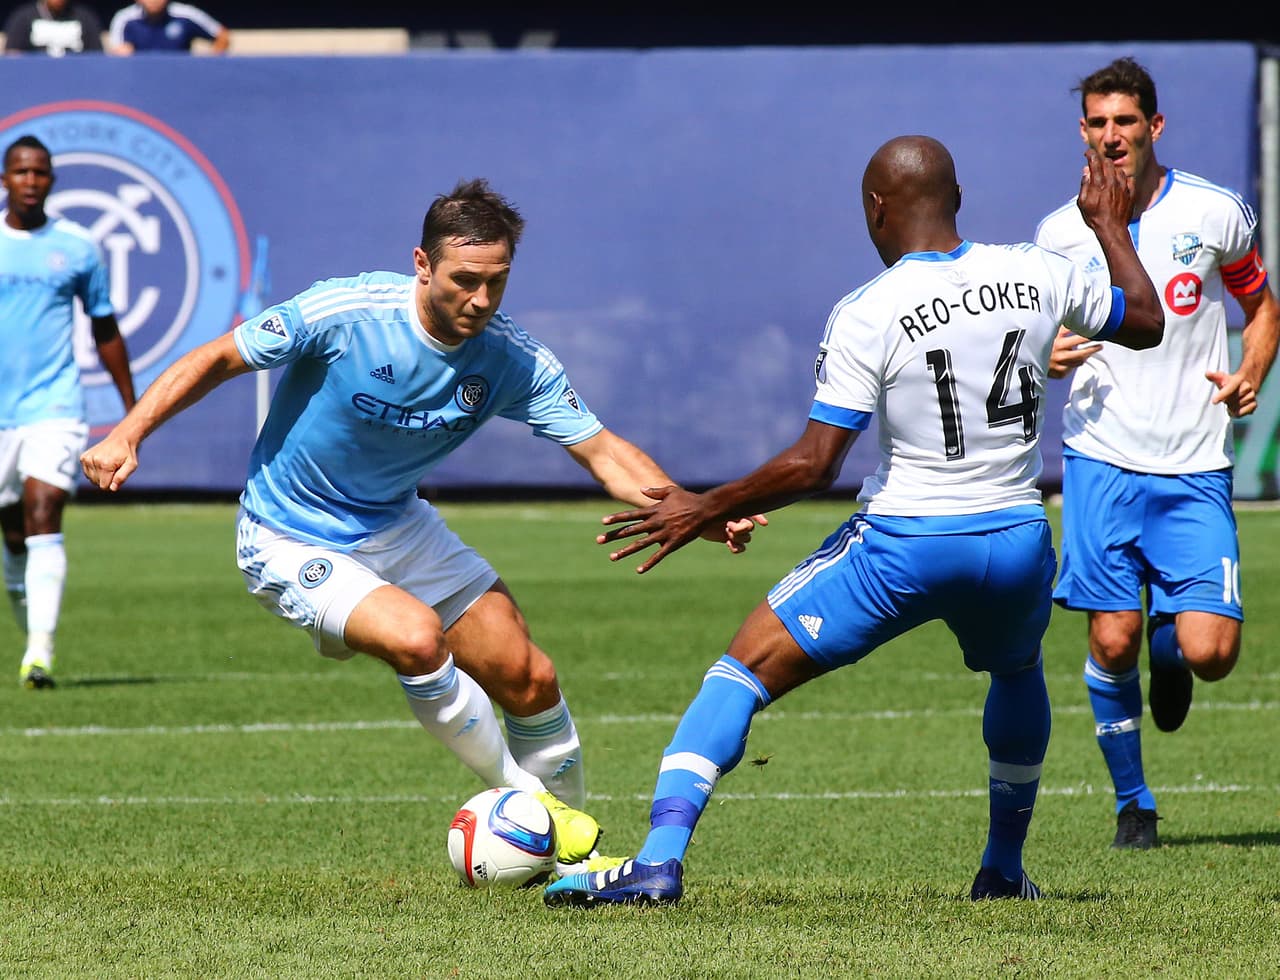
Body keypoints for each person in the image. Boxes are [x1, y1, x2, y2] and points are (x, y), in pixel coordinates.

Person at [543, 135, 1165, 909]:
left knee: (741, 671)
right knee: (1015, 672)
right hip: (1014, 536)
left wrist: (706, 505)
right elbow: (1144, 319)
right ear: (959, 197)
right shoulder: (1036, 270)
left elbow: (814, 464)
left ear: (876, 208)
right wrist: (1109, 224)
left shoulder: (868, 310)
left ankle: (658, 861)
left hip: (905, 545)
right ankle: (1003, 870)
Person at [80, 177, 758, 874]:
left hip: (398, 525)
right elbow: (219, 356)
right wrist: (128, 433)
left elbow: (603, 450)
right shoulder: (347, 312)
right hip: (290, 532)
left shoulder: (511, 356)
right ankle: (529, 802)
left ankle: (571, 865)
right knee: (414, 638)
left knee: (529, 676)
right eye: (466, 281)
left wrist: (693, 508)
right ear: (422, 264)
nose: (482, 301)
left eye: (498, 283)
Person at [1034, 57, 1280, 850]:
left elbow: (1260, 303)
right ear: (1083, 132)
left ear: (1153, 127)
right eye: (1098, 123)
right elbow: (1032, 344)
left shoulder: (1214, 212)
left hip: (1194, 464)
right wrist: (1051, 355)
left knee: (1211, 653)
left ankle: (1173, 646)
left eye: (1126, 122)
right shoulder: (1056, 234)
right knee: (1111, 638)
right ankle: (1132, 804)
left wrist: (1252, 371)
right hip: (1101, 459)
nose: (1112, 137)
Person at [1, 134, 137, 689]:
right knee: (12, 534)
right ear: (5, 179)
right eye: (20, 171)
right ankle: (28, 628)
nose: (31, 181)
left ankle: (39, 655)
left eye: (40, 172)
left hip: (54, 405)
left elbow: (103, 326)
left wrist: (133, 412)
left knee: (43, 509)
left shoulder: (78, 246)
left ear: (52, 180)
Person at [107, 0, 229, 55]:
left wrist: (210, 60)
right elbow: (115, 53)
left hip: (180, 80)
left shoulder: (186, 14)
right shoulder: (124, 19)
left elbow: (222, 35)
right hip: (138, 81)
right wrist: (122, 54)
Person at [2, 0, 104, 56]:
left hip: (76, 79)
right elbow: (12, 55)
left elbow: (97, 56)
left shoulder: (85, 18)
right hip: (35, 79)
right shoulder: (23, 17)